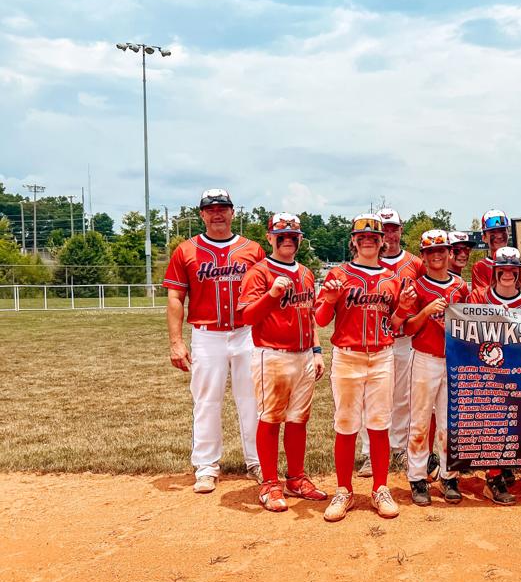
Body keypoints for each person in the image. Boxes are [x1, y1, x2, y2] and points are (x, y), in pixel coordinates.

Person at [314, 214, 417, 521]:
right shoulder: (339, 274)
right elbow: (319, 320)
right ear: (354, 242)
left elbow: (396, 324)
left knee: (379, 423)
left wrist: (405, 309)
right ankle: (344, 490)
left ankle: (380, 488)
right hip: (348, 355)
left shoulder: (392, 278)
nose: (368, 241)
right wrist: (330, 299)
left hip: (382, 355)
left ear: (382, 241)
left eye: (373, 237)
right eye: (362, 237)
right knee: (346, 423)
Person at [163, 188, 266, 494]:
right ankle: (207, 467)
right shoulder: (186, 250)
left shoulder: (252, 249)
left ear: (233, 212)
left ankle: (258, 461)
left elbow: (265, 296)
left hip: (246, 333)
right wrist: (175, 341)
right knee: (207, 401)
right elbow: (175, 297)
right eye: (211, 208)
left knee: (254, 401)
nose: (218, 212)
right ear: (202, 214)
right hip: (207, 335)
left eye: (223, 207)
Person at [237, 213, 326, 511]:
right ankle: (269, 484)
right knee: (271, 418)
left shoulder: (306, 272)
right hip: (272, 353)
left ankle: (297, 478)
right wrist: (273, 295)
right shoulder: (259, 272)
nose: (287, 240)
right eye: (281, 236)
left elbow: (311, 315)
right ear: (270, 238)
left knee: (299, 419)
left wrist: (316, 351)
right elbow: (247, 316)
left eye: (293, 236)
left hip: (303, 355)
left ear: (300, 239)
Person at [353, 207, 423, 478]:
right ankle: (369, 453)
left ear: (400, 230)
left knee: (402, 396)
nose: (390, 233)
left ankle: (399, 447)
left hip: (404, 338)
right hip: (373, 341)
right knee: (369, 399)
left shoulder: (414, 263)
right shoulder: (366, 262)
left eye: (393, 227)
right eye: (385, 229)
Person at [402, 229, 469, 506]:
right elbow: (407, 327)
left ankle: (449, 475)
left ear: (449, 252)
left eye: (442, 250)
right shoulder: (417, 286)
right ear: (424, 256)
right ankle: (417, 477)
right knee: (419, 421)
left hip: (452, 360)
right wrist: (426, 312)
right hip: (425, 356)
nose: (437, 255)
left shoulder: (460, 286)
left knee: (448, 422)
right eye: (431, 251)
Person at [469, 246, 521, 505]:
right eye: (503, 268)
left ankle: (507, 466)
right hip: (487, 369)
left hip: (515, 370)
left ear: (519, 272)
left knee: (517, 421)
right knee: (493, 422)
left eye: (512, 269)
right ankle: (494, 477)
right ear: (495, 270)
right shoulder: (478, 296)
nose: (507, 273)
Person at [471, 210, 513, 293]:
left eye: (502, 230)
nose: (499, 236)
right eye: (493, 232)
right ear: (484, 238)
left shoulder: (520, 263)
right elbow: (480, 298)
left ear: (508, 233)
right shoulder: (480, 267)